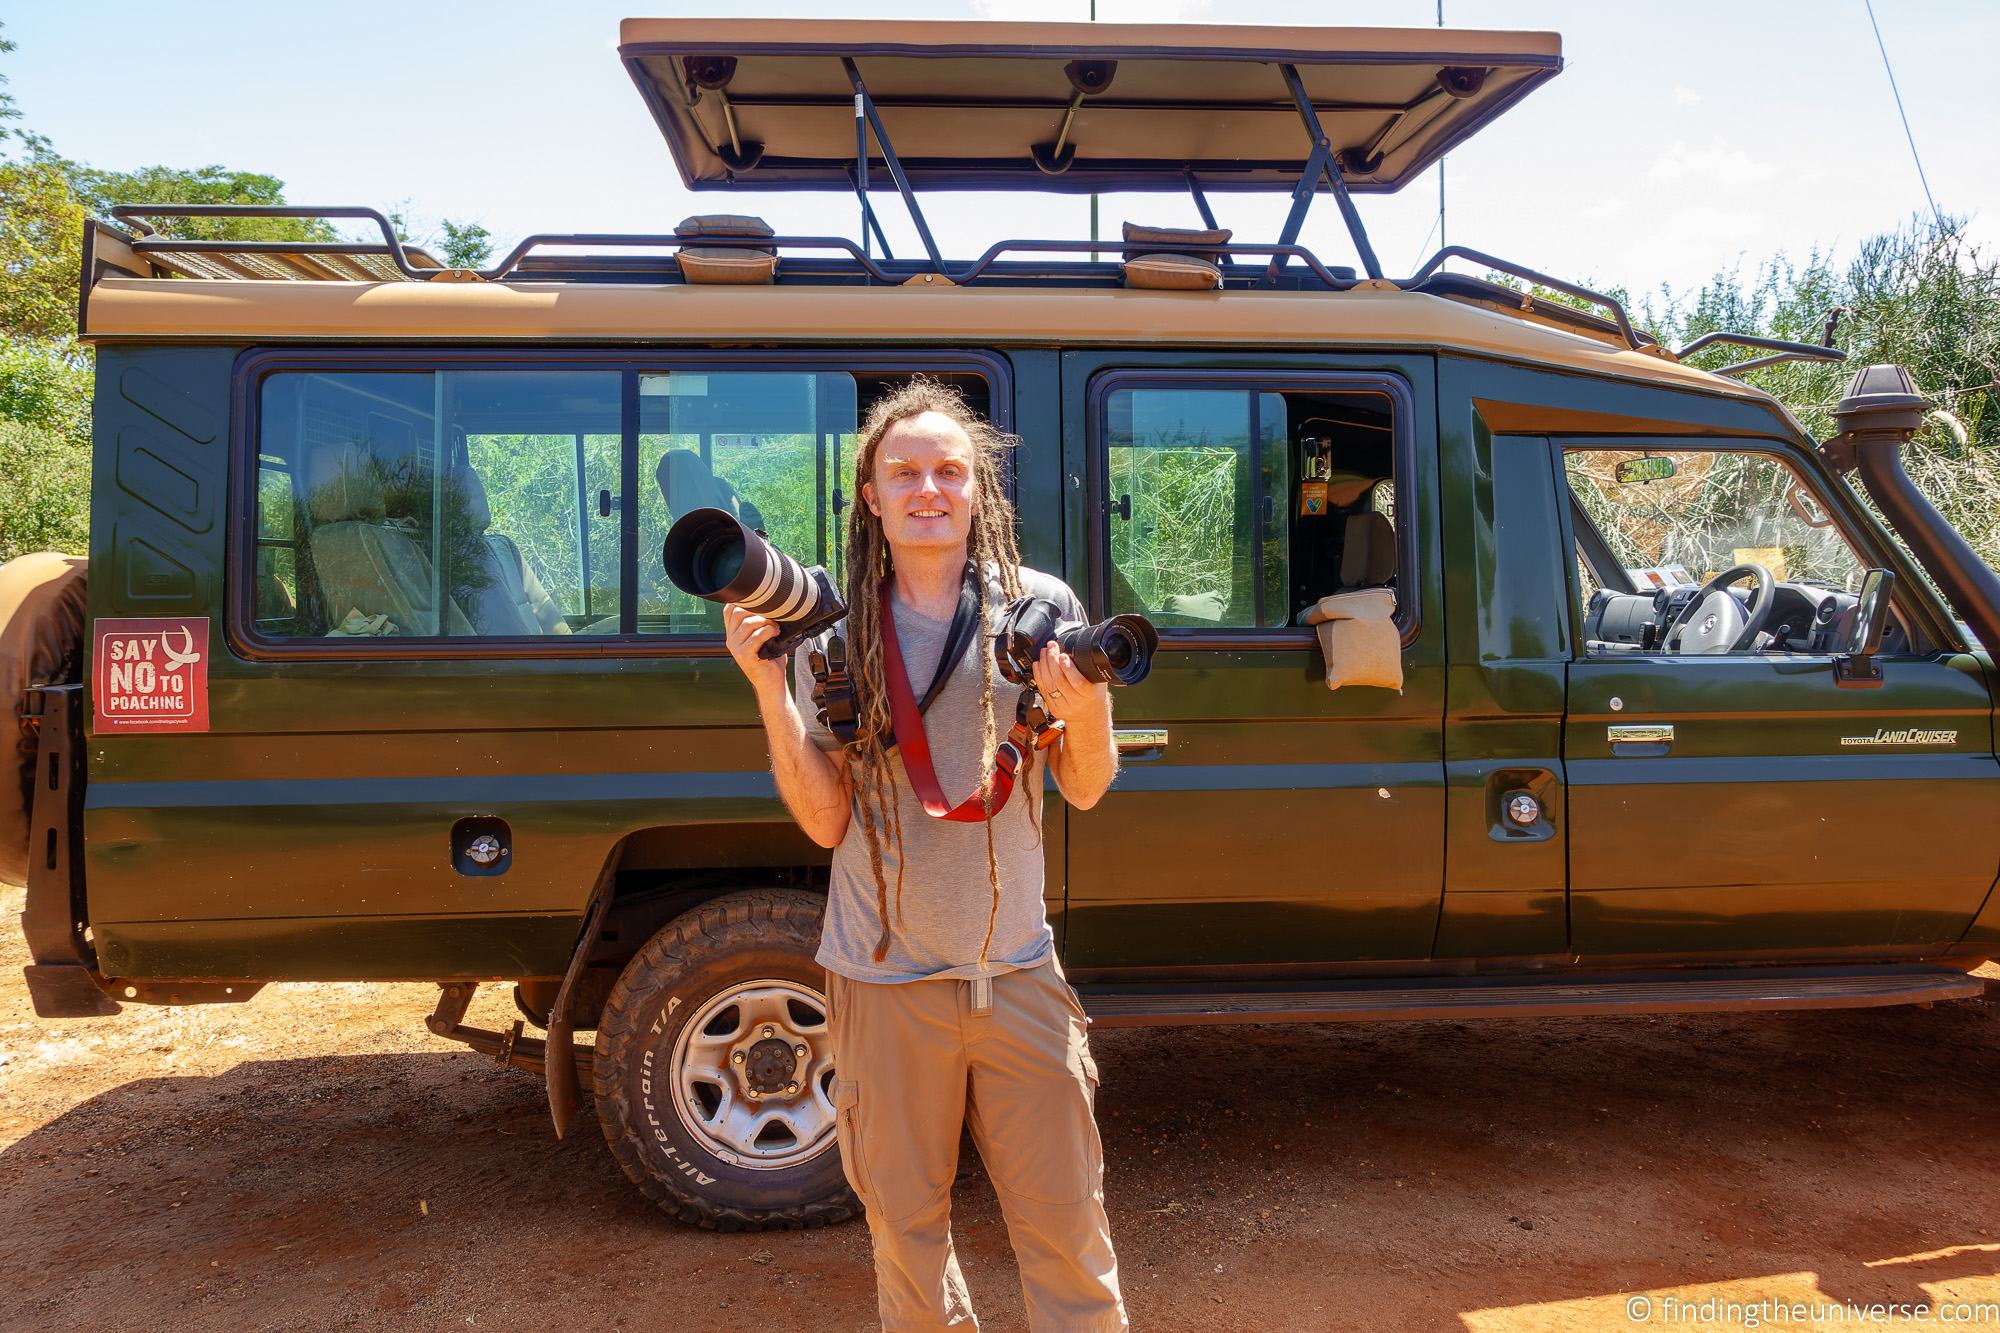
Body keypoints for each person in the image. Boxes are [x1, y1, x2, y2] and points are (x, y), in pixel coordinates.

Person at [722, 379, 1126, 1332]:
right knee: (907, 1236)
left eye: (950, 469)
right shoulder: (829, 627)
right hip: (884, 978)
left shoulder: (1042, 607)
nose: (927, 489)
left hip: (1020, 973)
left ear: (977, 489)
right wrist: (767, 689)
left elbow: (1089, 785)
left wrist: (1090, 705)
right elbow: (826, 822)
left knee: (1068, 1229)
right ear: (871, 496)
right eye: (903, 472)